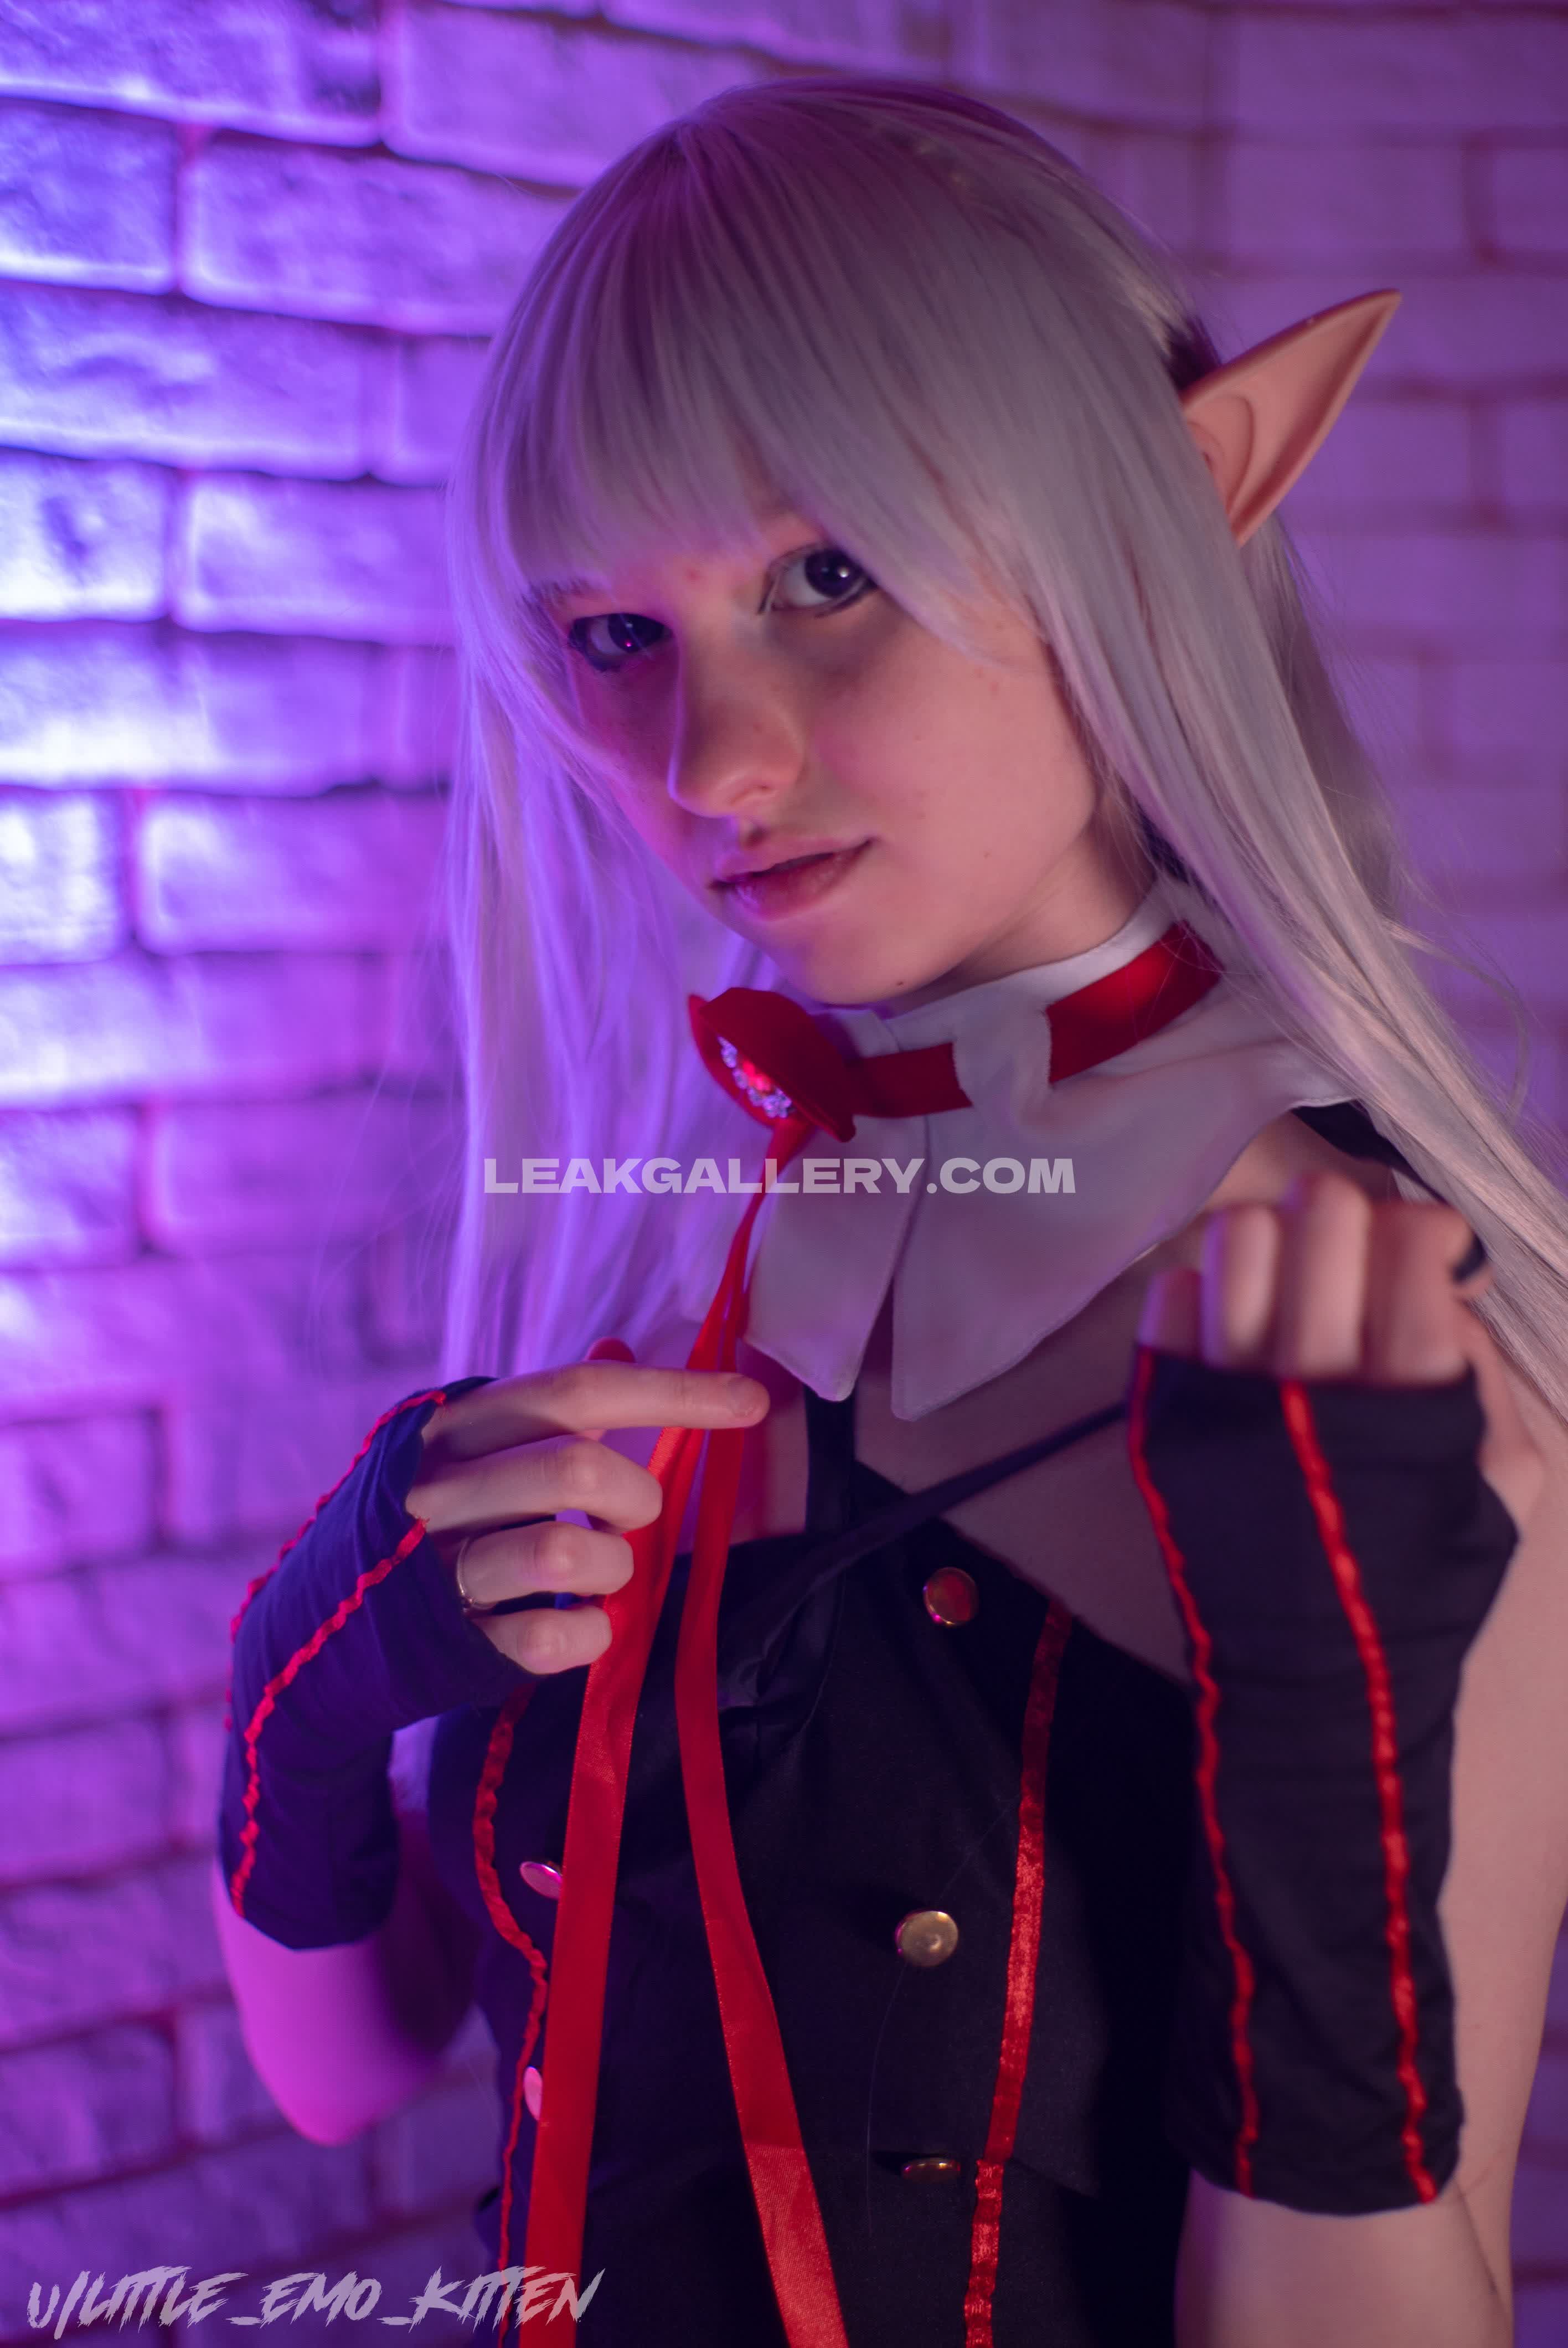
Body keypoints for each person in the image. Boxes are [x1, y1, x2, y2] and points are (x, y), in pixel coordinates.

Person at [213, 74, 1568, 2347]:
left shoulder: (1372, 1341)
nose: (710, 769)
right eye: (609, 633)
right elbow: (350, 2072)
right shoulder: (684, 1246)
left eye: (825, 577)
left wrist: (1324, 1803)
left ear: (1163, 523)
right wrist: (301, 1713)